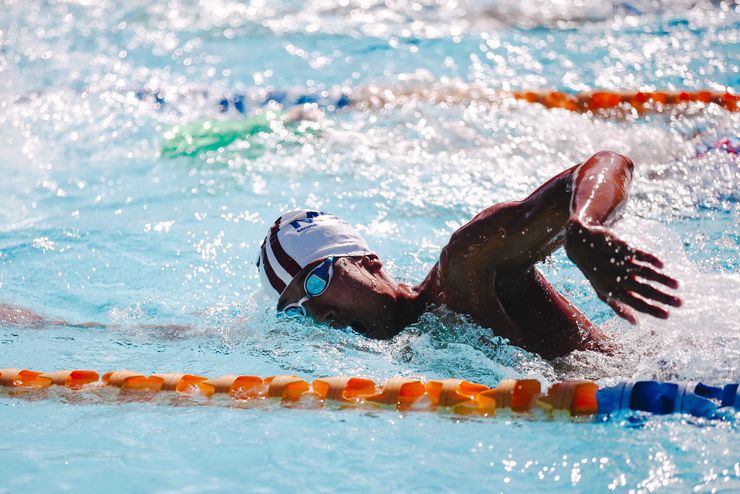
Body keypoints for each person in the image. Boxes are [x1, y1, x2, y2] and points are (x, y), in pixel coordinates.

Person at [259, 150, 681, 358]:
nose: (321, 316)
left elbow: (609, 163)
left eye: (316, 281)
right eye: (297, 310)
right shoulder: (405, 354)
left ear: (366, 262)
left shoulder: (466, 267)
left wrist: (584, 227)